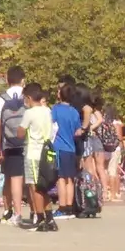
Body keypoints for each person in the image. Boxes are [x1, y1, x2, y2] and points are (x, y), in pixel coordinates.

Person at [17, 83, 57, 231]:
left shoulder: (30, 113)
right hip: (46, 152)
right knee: (44, 186)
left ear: (28, 98)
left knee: (35, 187)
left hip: (33, 152)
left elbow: (20, 133)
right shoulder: (47, 110)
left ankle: (40, 219)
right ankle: (49, 218)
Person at [0, 66, 26, 227]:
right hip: (27, 144)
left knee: (10, 178)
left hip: (9, 144)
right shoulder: (27, 97)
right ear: (23, 80)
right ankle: (33, 212)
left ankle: (10, 210)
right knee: (25, 179)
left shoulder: (1, 99)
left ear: (7, 79)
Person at [51, 84, 82, 218]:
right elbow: (78, 131)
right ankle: (69, 207)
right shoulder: (74, 111)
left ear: (61, 94)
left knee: (60, 178)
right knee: (70, 178)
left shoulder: (56, 109)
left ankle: (62, 207)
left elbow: (51, 125)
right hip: (71, 148)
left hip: (59, 147)